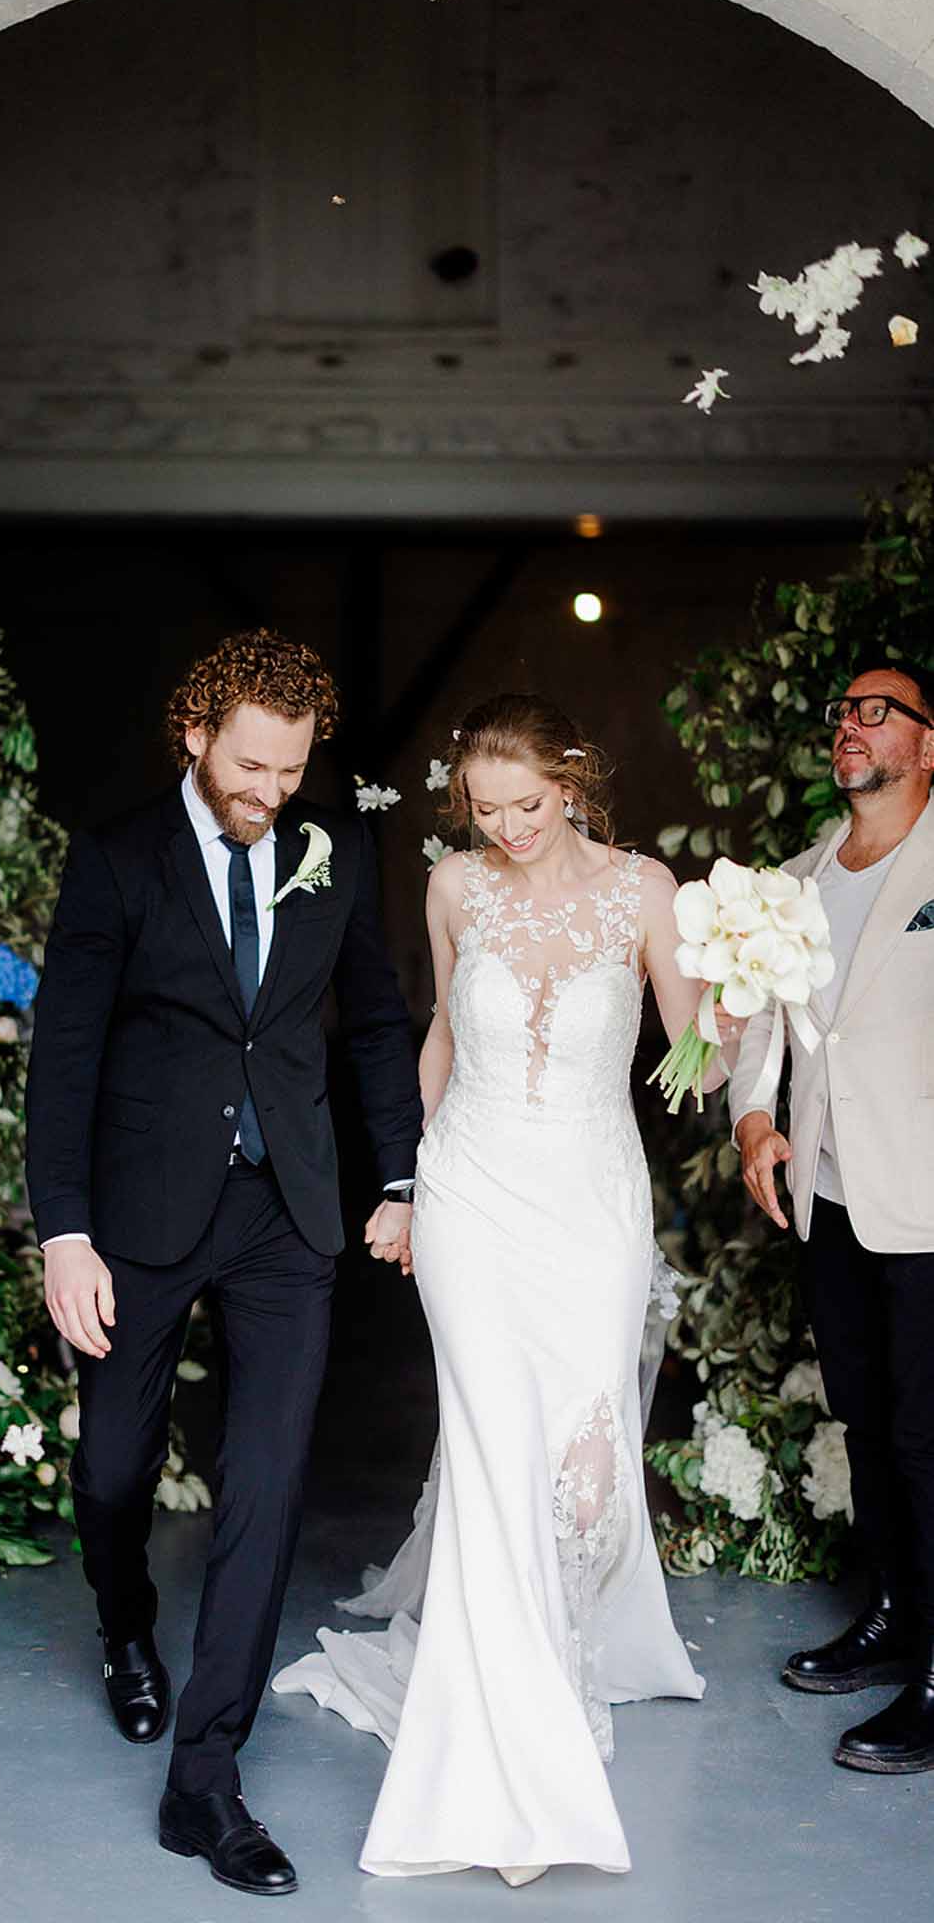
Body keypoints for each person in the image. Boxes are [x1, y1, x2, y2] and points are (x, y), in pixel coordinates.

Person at [276, 693, 728, 1887]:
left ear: (573, 781)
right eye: (485, 809)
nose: (509, 827)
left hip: (588, 1197)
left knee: (579, 1456)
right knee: (488, 1440)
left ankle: (562, 1653)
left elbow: (691, 1052)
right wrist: (405, 1183)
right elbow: (437, 1034)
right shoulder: (453, 889)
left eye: (527, 803)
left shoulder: (645, 892)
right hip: (469, 1183)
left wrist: (724, 1013)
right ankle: (496, 1738)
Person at [25, 629, 422, 1897]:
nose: (268, 793)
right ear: (195, 734)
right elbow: (67, 1053)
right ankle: (124, 1620)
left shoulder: (338, 849)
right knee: (111, 1468)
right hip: (142, 1209)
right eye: (249, 765)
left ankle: (206, 1780)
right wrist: (65, 1230)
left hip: (286, 1212)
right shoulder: (118, 858)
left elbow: (370, 1019)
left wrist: (402, 1176)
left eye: (290, 771)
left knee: (264, 1485)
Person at [733, 660, 934, 1775]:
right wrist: (755, 1118)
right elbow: (756, 1027)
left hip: (928, 1193)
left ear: (926, 744)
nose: (850, 724)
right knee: (863, 1419)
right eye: (842, 709)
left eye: (878, 710)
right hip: (831, 1193)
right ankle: (894, 1616)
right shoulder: (795, 877)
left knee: (926, 1433)